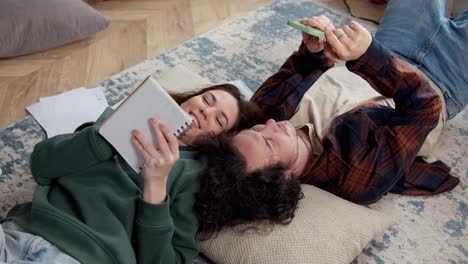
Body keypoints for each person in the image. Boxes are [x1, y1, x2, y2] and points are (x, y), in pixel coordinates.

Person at [0, 83, 297, 263]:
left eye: (219, 120)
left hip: (79, 256)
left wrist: (156, 189)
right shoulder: (115, 121)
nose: (206, 111)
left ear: (218, 140)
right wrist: (106, 135)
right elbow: (42, 166)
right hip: (20, 229)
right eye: (207, 100)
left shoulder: (198, 177)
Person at [220, 0, 465, 205]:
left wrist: (313, 50)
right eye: (270, 143)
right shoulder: (356, 175)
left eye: (257, 130)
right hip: (439, 79)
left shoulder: (264, 114)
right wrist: (369, 56)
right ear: (283, 177)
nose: (271, 124)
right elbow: (425, 107)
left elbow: (296, 69)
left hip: (390, 49)